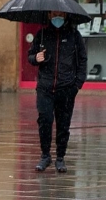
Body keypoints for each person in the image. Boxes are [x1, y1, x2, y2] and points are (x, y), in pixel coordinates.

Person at [28, 10, 87, 173]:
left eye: (60, 14)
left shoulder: (74, 36)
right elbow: (30, 56)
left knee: (63, 124)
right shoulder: (42, 34)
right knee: (45, 120)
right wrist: (35, 58)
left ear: (66, 15)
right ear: (48, 16)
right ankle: (45, 155)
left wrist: (77, 85)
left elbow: (82, 60)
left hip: (66, 88)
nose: (57, 17)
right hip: (45, 88)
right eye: (54, 14)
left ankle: (60, 158)